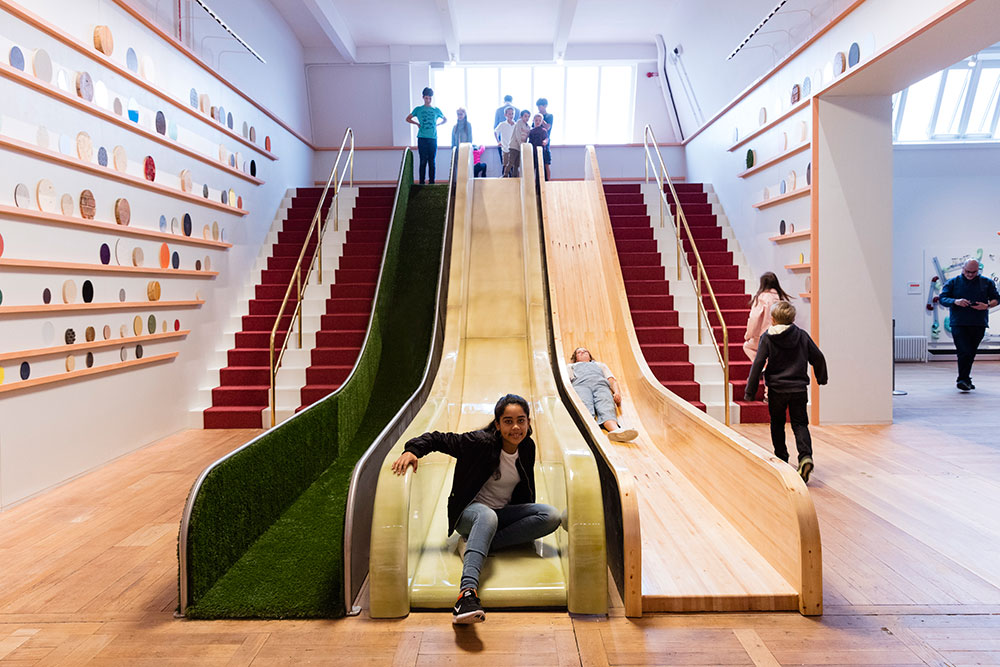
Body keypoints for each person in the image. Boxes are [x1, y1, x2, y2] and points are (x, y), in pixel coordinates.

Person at [391, 394, 561, 624]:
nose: (516, 427)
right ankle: (467, 594)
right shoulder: (480, 443)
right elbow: (438, 439)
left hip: (501, 514)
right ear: (498, 424)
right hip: (470, 513)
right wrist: (412, 450)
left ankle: (475, 542)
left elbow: (525, 490)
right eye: (508, 421)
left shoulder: (527, 447)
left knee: (551, 516)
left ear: (529, 423)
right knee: (486, 515)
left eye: (521, 420)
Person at [744, 301, 827, 482]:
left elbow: (757, 364)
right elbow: (818, 357)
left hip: (776, 390)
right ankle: (805, 456)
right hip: (798, 389)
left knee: (777, 423)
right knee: (800, 424)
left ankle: (781, 459)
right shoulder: (801, 335)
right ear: (792, 318)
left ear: (772, 319)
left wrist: (750, 392)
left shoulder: (767, 337)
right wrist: (821, 378)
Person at [939, 258, 999, 391]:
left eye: (974, 272)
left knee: (970, 352)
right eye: (968, 271)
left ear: (978, 270)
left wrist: (987, 305)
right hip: (959, 323)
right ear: (963, 269)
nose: (970, 274)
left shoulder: (987, 283)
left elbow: (996, 299)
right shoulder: (953, 282)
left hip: (978, 323)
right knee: (963, 351)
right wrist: (956, 301)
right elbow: (942, 298)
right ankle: (962, 379)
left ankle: (966, 379)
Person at [568, 347, 638, 442]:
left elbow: (612, 380)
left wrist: (617, 392)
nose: (582, 353)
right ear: (575, 357)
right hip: (581, 385)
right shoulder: (571, 366)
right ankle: (587, 430)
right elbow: (567, 381)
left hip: (601, 386)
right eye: (579, 352)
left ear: (590, 355)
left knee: (606, 404)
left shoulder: (599, 365)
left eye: (585, 351)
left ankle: (615, 430)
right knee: (584, 404)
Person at [744, 272, 793, 362]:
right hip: (779, 336)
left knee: (747, 346)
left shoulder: (761, 298)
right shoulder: (779, 299)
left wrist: (749, 334)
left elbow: (754, 318)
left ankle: (762, 367)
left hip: (763, 337)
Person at [405, 87, 446, 185]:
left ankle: (432, 182)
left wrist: (438, 125)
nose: (428, 100)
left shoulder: (436, 110)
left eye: (430, 98)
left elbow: (445, 119)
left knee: (432, 161)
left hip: (432, 138)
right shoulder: (418, 109)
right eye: (426, 98)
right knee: (423, 160)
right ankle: (421, 182)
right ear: (423, 98)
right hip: (422, 138)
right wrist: (417, 124)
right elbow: (408, 118)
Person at [507, 110, 532, 178]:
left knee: (517, 164)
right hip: (514, 146)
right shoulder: (519, 122)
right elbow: (518, 134)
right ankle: (505, 175)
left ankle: (514, 176)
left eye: (528, 117)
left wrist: (523, 146)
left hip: (520, 147)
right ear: (521, 117)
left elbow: (526, 137)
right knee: (511, 162)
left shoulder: (528, 127)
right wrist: (520, 144)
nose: (527, 118)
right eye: (525, 116)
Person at [494, 95, 517, 163]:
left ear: (504, 101)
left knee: (504, 163)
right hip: (514, 144)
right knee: (513, 164)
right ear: (512, 101)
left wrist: (498, 141)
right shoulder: (517, 110)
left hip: (502, 142)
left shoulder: (498, 110)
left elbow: (495, 127)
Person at [494, 106, 516, 178]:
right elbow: (495, 132)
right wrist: (498, 141)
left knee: (513, 165)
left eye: (512, 114)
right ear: (505, 115)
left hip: (513, 148)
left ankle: (512, 180)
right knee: (505, 164)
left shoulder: (516, 125)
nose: (511, 116)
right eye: (509, 114)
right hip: (505, 148)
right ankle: (504, 179)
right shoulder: (502, 124)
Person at [536, 98, 553, 181]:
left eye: (541, 106)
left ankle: (548, 181)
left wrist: (541, 119)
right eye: (538, 106)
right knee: (537, 164)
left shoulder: (549, 116)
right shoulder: (537, 116)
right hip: (536, 141)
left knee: (546, 163)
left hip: (546, 142)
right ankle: (538, 181)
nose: (539, 108)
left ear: (545, 106)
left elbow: (547, 127)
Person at [527, 113, 549, 177]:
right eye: (536, 120)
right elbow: (529, 141)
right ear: (533, 121)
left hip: (540, 152)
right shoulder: (531, 131)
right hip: (533, 152)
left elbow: (546, 138)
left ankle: (539, 184)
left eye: (539, 120)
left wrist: (545, 141)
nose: (538, 122)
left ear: (542, 122)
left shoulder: (543, 131)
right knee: (532, 167)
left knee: (540, 168)